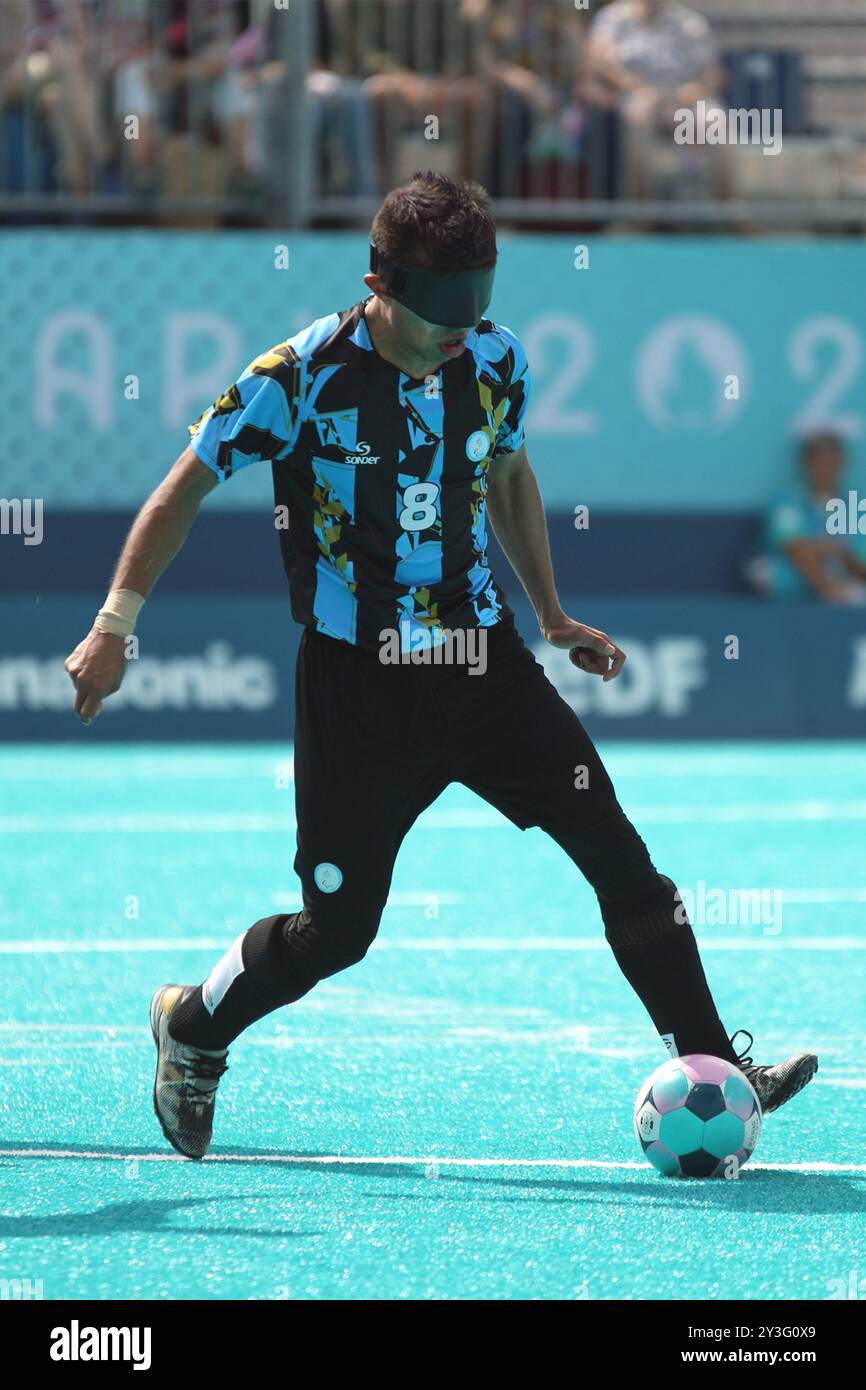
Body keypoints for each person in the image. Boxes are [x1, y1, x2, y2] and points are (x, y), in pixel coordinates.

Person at [64, 173, 817, 1160]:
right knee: (336, 932)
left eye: (478, 302)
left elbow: (503, 468)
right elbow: (183, 489)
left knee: (623, 864)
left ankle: (721, 1071)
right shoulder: (294, 376)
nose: (460, 329)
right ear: (380, 281)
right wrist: (115, 624)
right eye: (439, 309)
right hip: (358, 689)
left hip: (484, 666)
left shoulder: (493, 358)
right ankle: (194, 1027)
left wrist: (548, 613)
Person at [751, 431, 866, 603]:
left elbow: (857, 559)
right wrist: (831, 590)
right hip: (792, 584)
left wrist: (844, 557)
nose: (827, 470)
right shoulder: (788, 500)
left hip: (848, 585)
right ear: (806, 464)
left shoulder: (856, 503)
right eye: (820, 462)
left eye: (833, 462)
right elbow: (796, 549)